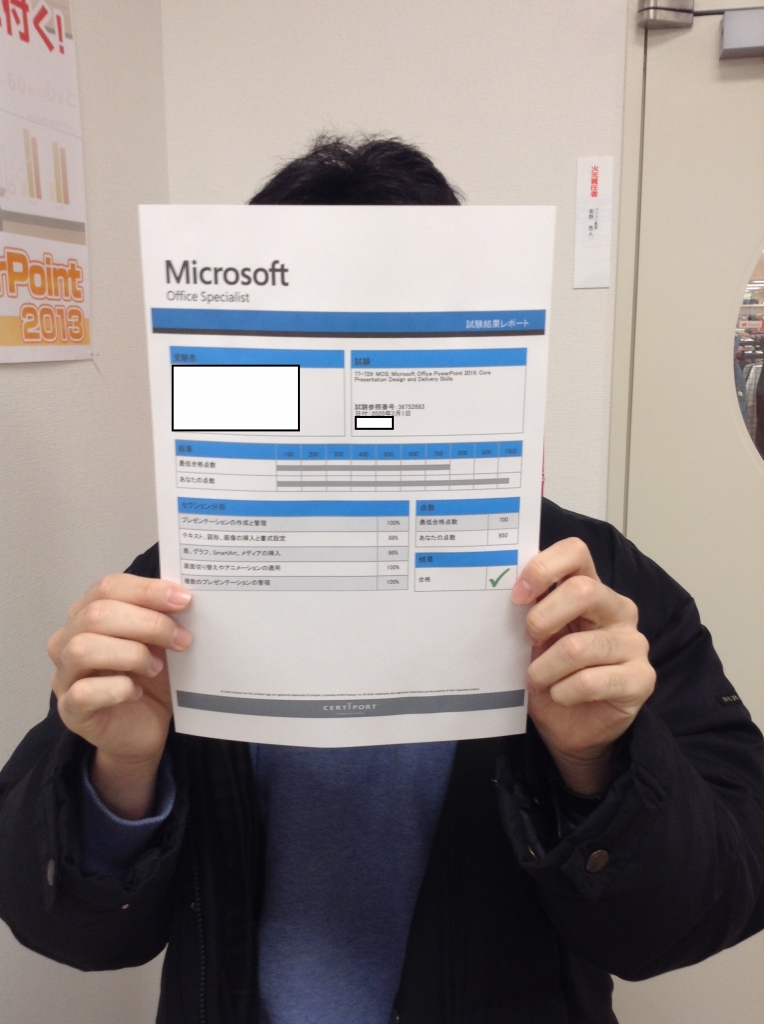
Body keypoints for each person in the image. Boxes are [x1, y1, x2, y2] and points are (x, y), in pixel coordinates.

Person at [0, 136, 762, 1024]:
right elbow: (70, 929)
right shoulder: (172, 592)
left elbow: (709, 902)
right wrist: (119, 773)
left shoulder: (595, 592)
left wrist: (597, 761)